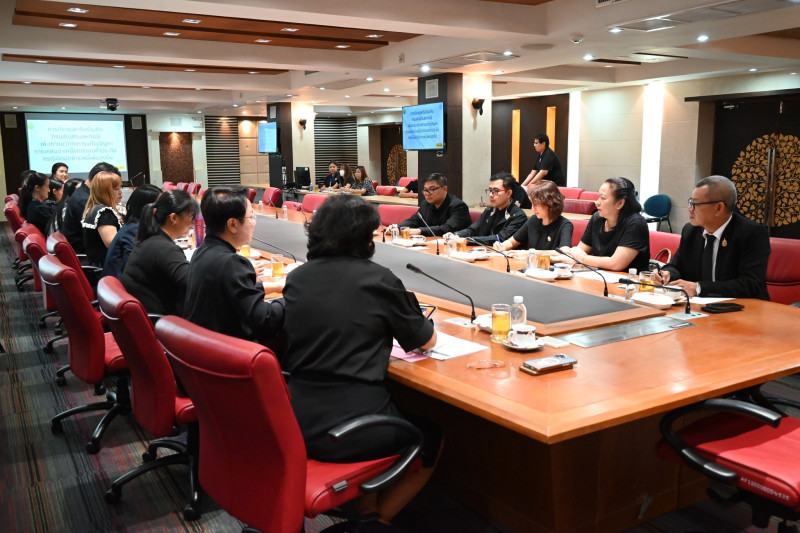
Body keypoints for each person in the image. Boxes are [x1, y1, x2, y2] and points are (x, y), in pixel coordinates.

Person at [282, 194, 441, 525]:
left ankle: (365, 509)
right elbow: (425, 340)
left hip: (297, 422)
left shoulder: (297, 277)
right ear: (363, 237)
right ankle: (378, 522)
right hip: (352, 431)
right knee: (431, 435)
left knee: (382, 411)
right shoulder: (379, 279)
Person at [183, 186, 284, 345]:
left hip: (202, 348)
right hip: (228, 353)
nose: (254, 223)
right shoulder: (231, 262)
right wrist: (293, 294)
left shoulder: (201, 252)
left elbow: (233, 290)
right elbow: (265, 321)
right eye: (251, 216)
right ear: (232, 224)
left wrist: (277, 286)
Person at [653, 175, 770, 299]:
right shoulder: (691, 231)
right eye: (690, 202)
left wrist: (699, 288)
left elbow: (751, 284)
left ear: (718, 208)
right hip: (698, 306)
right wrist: (667, 274)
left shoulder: (752, 233)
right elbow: (677, 265)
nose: (689, 209)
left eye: (695, 204)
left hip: (743, 307)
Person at [121, 189, 199, 315]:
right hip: (159, 320)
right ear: (173, 218)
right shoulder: (164, 248)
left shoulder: (151, 240)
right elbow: (193, 283)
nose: (193, 221)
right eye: (191, 215)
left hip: (146, 314)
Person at [553, 177, 650, 272]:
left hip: (629, 280)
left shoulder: (636, 223)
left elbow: (615, 264)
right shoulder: (597, 218)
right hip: (599, 277)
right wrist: (549, 258)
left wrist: (583, 258)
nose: (597, 202)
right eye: (598, 196)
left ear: (620, 203)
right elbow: (577, 254)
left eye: (603, 198)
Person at [445, 172, 526, 245]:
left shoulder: (518, 216)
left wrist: (468, 240)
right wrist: (455, 235)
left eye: (496, 191)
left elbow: (500, 238)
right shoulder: (489, 210)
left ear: (508, 193)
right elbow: (473, 230)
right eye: (490, 190)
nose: (491, 195)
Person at [101, 184, 162, 278]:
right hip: (120, 284)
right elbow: (135, 268)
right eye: (159, 205)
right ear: (146, 207)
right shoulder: (134, 230)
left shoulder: (135, 225)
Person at [495, 180, 573, 252]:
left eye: (536, 204)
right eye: (532, 204)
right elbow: (512, 242)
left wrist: (532, 253)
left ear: (549, 203)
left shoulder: (565, 225)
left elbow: (564, 252)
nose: (532, 208)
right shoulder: (533, 220)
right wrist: (502, 245)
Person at [62, 162, 119, 253]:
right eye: (114, 186)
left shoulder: (84, 192)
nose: (120, 191)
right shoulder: (84, 200)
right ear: (100, 179)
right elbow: (110, 241)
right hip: (84, 253)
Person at [396, 173, 471, 236]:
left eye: (431, 189)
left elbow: (448, 228)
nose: (427, 193)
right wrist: (398, 227)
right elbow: (414, 220)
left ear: (444, 189)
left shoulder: (458, 206)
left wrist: (420, 231)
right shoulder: (425, 204)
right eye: (425, 190)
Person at [81, 171, 123, 267]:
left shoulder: (95, 208)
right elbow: (113, 243)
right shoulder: (104, 213)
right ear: (104, 192)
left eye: (120, 187)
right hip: (106, 267)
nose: (120, 192)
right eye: (116, 189)